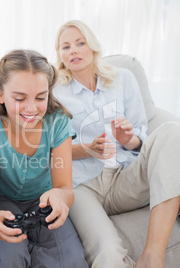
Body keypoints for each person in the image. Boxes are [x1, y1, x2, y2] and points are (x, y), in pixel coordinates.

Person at [53, 20, 180, 268]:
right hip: (81, 186)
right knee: (109, 252)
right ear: (59, 55)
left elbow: (140, 133)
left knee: (172, 131)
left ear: (94, 47)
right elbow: (46, 148)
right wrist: (86, 148)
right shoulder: (54, 89)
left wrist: (128, 140)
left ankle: (152, 257)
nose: (73, 51)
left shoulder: (124, 78)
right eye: (65, 47)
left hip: (123, 177)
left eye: (80, 43)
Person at [0, 49, 88, 267]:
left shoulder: (58, 122)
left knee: (70, 260)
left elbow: (65, 188)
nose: (32, 108)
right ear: (0, 95)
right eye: (20, 98)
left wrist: (60, 197)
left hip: (43, 202)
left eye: (40, 97)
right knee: (6, 259)